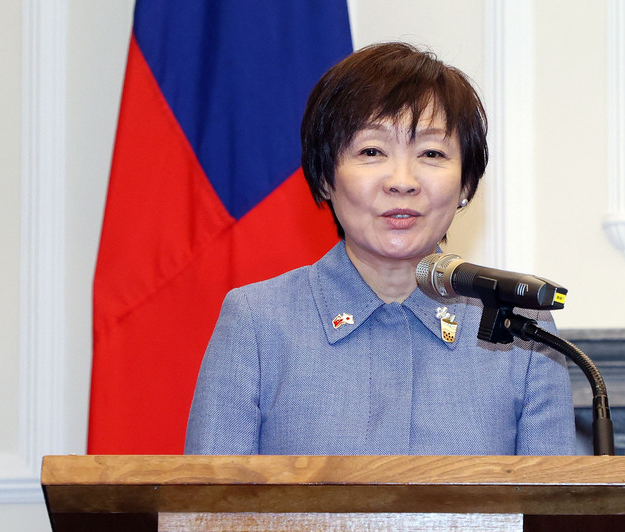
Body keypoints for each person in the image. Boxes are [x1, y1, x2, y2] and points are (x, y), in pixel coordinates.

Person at [185, 42, 575, 456]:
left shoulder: (521, 332)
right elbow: (209, 512)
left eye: (431, 153)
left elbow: (550, 516)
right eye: (371, 151)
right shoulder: (257, 323)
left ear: (465, 184)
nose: (402, 181)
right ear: (324, 178)